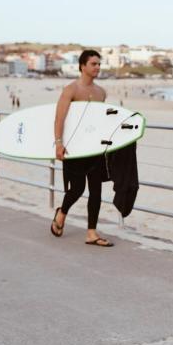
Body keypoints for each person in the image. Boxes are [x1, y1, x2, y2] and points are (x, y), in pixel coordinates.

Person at [50, 50, 114, 248]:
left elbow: (100, 121)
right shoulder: (71, 90)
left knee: (96, 191)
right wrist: (59, 143)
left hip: (94, 148)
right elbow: (59, 118)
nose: (97, 67)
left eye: (98, 64)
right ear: (82, 66)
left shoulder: (101, 92)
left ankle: (91, 233)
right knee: (77, 188)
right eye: (93, 64)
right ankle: (62, 213)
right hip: (75, 149)